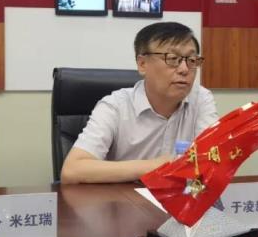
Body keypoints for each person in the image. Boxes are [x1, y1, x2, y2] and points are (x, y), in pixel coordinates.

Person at [60, 22, 218, 184]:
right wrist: (156, 166)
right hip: (122, 198)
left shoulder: (201, 99)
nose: (184, 69)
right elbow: (72, 171)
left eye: (191, 60)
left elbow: (212, 161)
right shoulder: (115, 106)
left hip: (180, 197)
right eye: (172, 59)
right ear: (142, 64)